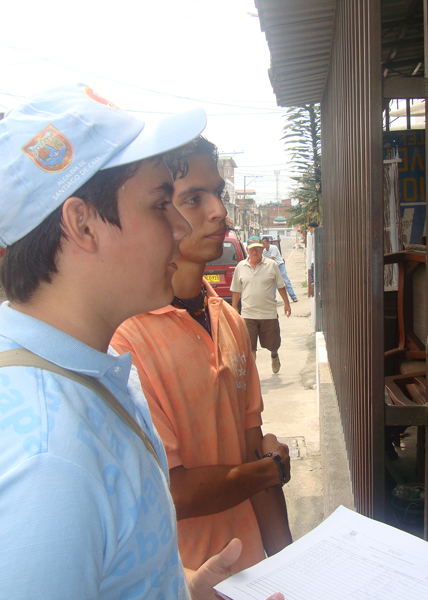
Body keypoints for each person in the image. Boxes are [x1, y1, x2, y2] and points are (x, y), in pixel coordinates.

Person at [0, 84, 281, 600]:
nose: (179, 228)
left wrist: (182, 588)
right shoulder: (39, 463)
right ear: (82, 225)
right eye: (160, 204)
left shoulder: (87, 373)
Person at [110, 137, 293, 574]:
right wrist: (269, 470)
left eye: (218, 194)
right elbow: (174, 493)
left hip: (252, 574)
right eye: (194, 198)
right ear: (159, 212)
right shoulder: (123, 339)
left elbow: (252, 447)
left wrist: (289, 566)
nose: (219, 211)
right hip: (183, 581)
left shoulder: (229, 320)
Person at [231, 236, 291, 374]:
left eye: (258, 249)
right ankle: (253, 376)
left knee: (273, 344)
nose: (255, 252)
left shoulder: (271, 265)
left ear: (262, 250)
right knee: (250, 347)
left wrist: (286, 304)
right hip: (248, 314)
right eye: (252, 249)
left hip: (268, 313)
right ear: (247, 250)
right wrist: (234, 308)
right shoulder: (241, 267)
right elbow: (236, 290)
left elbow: (280, 286)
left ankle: (274, 356)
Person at [262, 236, 298, 303]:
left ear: (268, 243)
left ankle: (293, 296)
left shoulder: (274, 248)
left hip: (279, 266)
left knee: (286, 281)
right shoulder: (263, 251)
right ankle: (273, 299)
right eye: (262, 243)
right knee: (273, 284)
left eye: (264, 243)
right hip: (272, 268)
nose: (263, 245)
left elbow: (272, 258)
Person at [306, 221, 319, 297]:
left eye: (310, 229)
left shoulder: (317, 236)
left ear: (313, 228)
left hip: (316, 261)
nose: (309, 231)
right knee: (313, 278)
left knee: (315, 278)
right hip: (313, 260)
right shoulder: (311, 236)